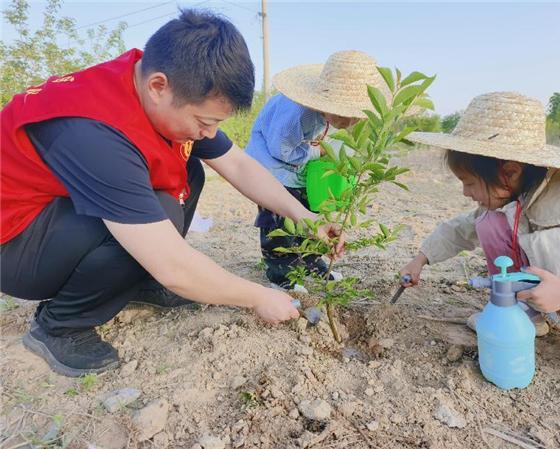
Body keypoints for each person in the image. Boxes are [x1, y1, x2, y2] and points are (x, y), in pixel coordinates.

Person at [0, 9, 344, 377]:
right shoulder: (93, 131)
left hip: (54, 216)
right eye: (205, 122)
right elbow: (172, 264)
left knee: (187, 169)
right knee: (154, 218)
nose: (210, 133)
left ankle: (136, 282)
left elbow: (239, 165)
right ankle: (59, 325)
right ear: (158, 86)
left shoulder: (153, 82)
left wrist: (306, 217)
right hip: (16, 247)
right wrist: (259, 297)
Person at [399, 92, 560, 397]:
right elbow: (459, 229)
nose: (466, 193)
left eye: (468, 182)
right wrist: (421, 259)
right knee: (488, 223)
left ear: (509, 172)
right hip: (547, 291)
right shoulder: (508, 197)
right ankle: (523, 311)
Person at [246, 50, 385, 290]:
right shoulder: (297, 114)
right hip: (272, 170)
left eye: (357, 116)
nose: (352, 122)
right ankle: (281, 274)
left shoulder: (320, 112)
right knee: (279, 221)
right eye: (347, 114)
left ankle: (309, 262)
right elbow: (282, 150)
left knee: (308, 214)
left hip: (295, 170)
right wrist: (318, 152)